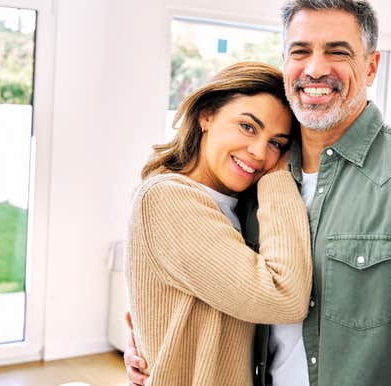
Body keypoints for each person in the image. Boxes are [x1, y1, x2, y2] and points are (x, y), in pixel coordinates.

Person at [126, 1, 391, 385]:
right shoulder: (257, 181)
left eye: (338, 51)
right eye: (301, 51)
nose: (316, 68)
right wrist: (154, 342)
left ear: (371, 66)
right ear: (285, 62)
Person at [124, 61, 313, 386]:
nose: (258, 153)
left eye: (276, 143)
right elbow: (285, 297)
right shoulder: (167, 197)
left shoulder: (237, 207)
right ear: (206, 114)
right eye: (248, 127)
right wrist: (279, 175)